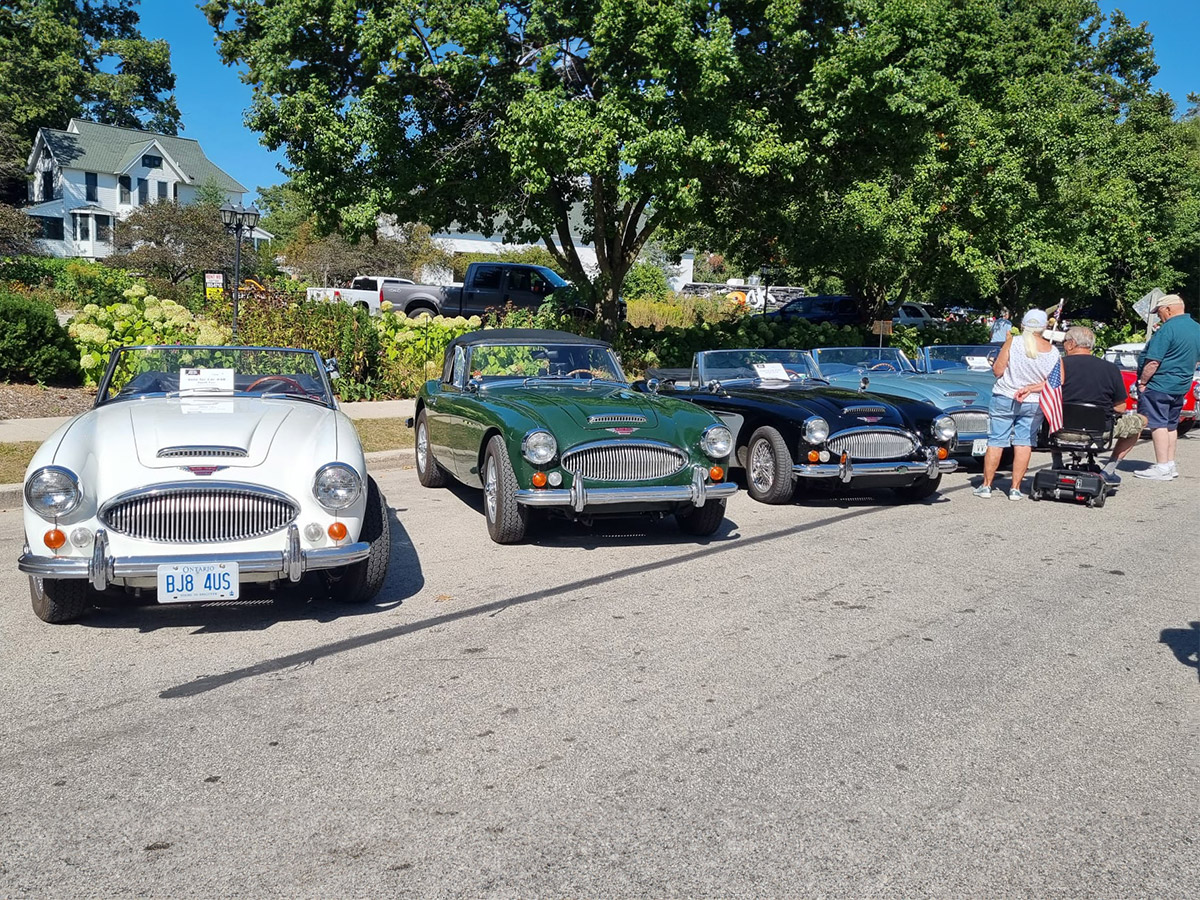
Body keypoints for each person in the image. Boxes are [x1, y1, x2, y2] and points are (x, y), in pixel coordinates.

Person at [975, 308, 1061, 500]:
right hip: (1034, 401)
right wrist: (1032, 387)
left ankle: (986, 485)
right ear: (1044, 327)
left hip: (1006, 395)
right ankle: (1015, 488)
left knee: (996, 441)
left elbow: (998, 371)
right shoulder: (1053, 350)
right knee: (1024, 442)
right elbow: (1057, 380)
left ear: (1023, 325)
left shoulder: (1013, 342)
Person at [1055, 325, 1143, 485]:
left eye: (1064, 342)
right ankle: (1109, 469)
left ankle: (1056, 462)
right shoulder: (1111, 369)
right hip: (1098, 432)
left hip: (1060, 431)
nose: (1063, 345)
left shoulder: (1057, 366)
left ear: (1071, 343)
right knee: (1140, 421)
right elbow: (1120, 408)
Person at [1133, 293, 1200, 480]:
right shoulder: (1196, 328)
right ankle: (1170, 464)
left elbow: (1153, 361)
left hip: (1160, 384)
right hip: (1181, 385)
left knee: (1158, 424)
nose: (1159, 316)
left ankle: (1162, 466)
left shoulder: (1167, 329)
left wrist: (1143, 382)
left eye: (1159, 311)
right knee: (1171, 424)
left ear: (1168, 309)